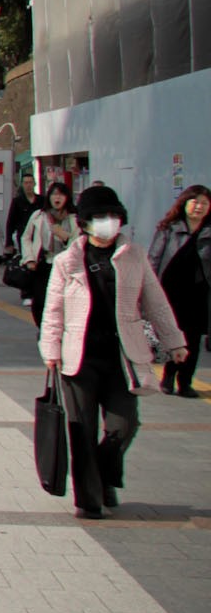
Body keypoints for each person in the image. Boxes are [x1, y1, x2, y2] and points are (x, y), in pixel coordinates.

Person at [39, 185, 188, 519]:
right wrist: (50, 349)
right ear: (85, 223)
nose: (108, 223)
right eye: (100, 218)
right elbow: (53, 310)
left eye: (113, 217)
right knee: (81, 430)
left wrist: (174, 342)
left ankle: (105, 474)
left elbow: (157, 303)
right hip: (79, 358)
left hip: (122, 357)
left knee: (124, 424)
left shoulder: (134, 256)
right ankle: (89, 500)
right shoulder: (68, 261)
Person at [147, 184, 211, 397]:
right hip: (170, 292)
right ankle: (168, 375)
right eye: (195, 202)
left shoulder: (209, 231)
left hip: (199, 293)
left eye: (204, 203)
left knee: (193, 339)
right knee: (172, 335)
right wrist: (148, 290)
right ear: (185, 203)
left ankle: (185, 382)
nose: (199, 207)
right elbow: (154, 259)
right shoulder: (169, 228)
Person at [20, 180, 77, 329]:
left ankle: (57, 331)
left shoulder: (74, 218)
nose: (57, 198)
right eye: (54, 194)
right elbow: (26, 237)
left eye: (61, 194)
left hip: (65, 267)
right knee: (40, 301)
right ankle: (43, 330)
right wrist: (29, 258)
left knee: (61, 301)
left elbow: (78, 243)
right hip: (43, 264)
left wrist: (65, 237)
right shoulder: (39, 216)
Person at [6, 174, 39, 263]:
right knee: (27, 258)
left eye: (30, 182)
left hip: (38, 234)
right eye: (26, 183)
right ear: (22, 185)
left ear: (34, 183)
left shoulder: (41, 200)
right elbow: (10, 222)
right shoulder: (17, 201)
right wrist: (9, 242)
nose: (28, 185)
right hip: (23, 234)